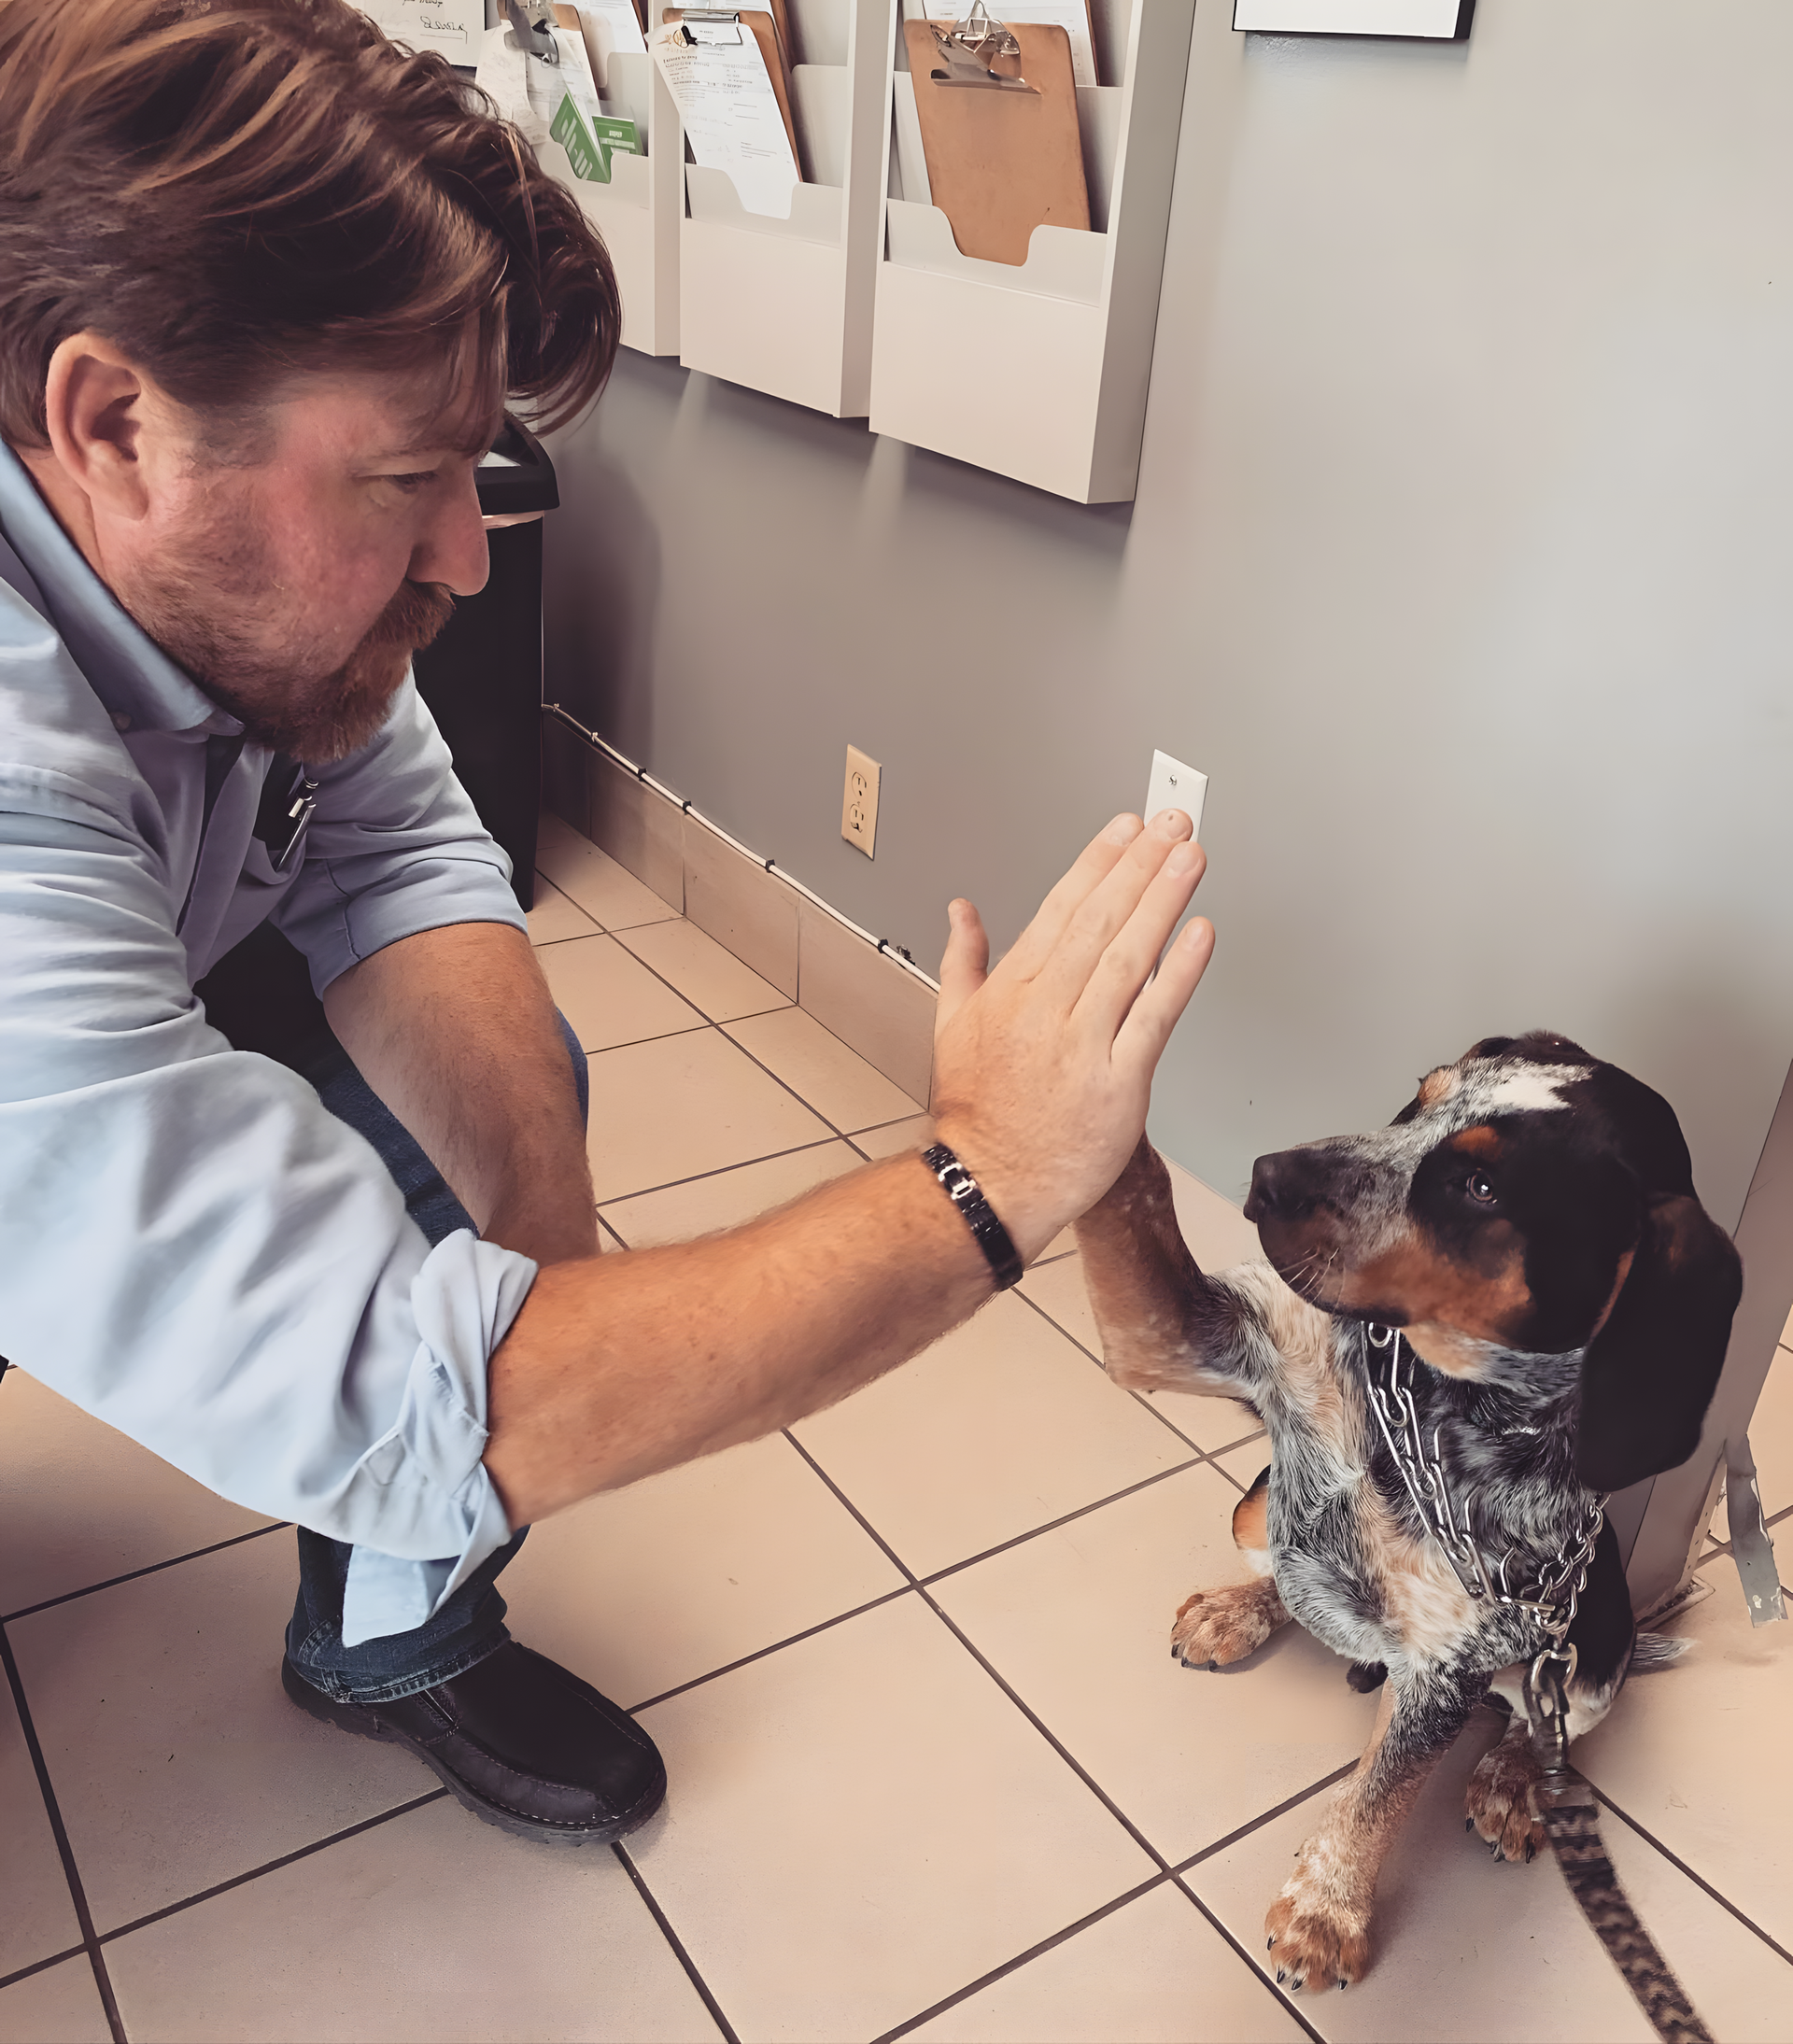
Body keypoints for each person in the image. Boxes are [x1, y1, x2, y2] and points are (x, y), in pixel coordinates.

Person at [0, 0, 1213, 1848]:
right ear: (110, 421)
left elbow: (402, 858)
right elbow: (421, 1385)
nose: (469, 560)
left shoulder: (240, 562)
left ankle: (392, 1638)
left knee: (492, 1083)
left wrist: (539, 1265)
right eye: (407, 479)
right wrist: (990, 1172)